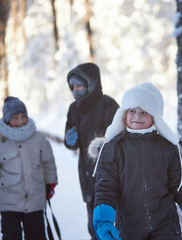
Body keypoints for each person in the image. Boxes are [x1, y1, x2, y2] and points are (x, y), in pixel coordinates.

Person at [89, 82, 182, 240]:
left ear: (154, 117)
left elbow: (180, 184)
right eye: (132, 111)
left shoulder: (168, 147)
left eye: (144, 112)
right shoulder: (113, 148)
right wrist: (104, 221)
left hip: (165, 224)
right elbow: (106, 187)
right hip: (129, 225)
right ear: (124, 114)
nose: (137, 116)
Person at [0, 96, 58, 240]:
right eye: (15, 117)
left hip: (35, 202)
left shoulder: (39, 139)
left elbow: (48, 162)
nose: (20, 121)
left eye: (23, 117)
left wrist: (51, 183)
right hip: (9, 205)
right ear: (7, 120)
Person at [64, 63, 119, 239]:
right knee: (94, 224)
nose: (75, 90)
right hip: (87, 174)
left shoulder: (108, 104)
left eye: (79, 85)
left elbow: (120, 136)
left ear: (91, 83)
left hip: (110, 173)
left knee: (113, 222)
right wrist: (70, 140)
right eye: (72, 86)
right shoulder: (74, 109)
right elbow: (70, 138)